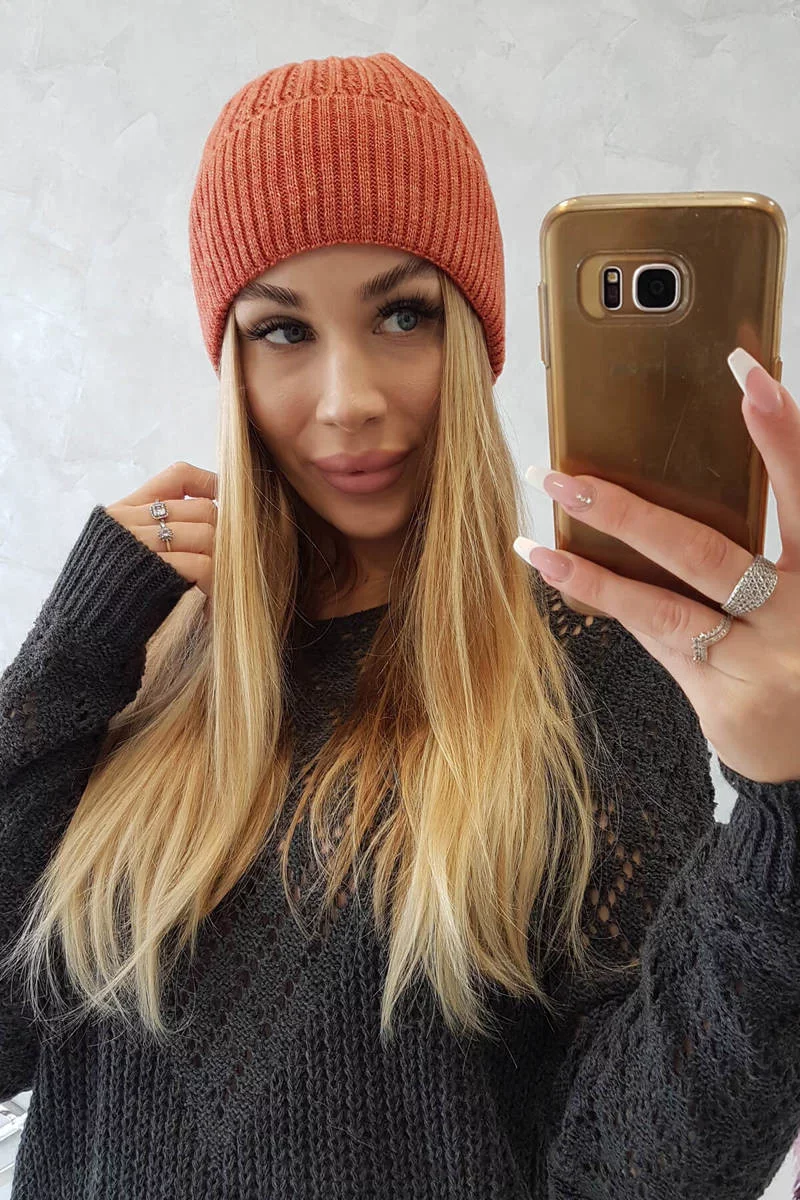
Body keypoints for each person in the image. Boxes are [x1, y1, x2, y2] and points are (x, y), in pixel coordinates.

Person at [1, 51, 799, 1200]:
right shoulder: (144, 671)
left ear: (473, 340)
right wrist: (69, 654)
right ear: (230, 361)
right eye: (282, 331)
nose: (348, 400)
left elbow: (630, 1169)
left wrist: (782, 810)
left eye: (401, 315)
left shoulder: (585, 676)